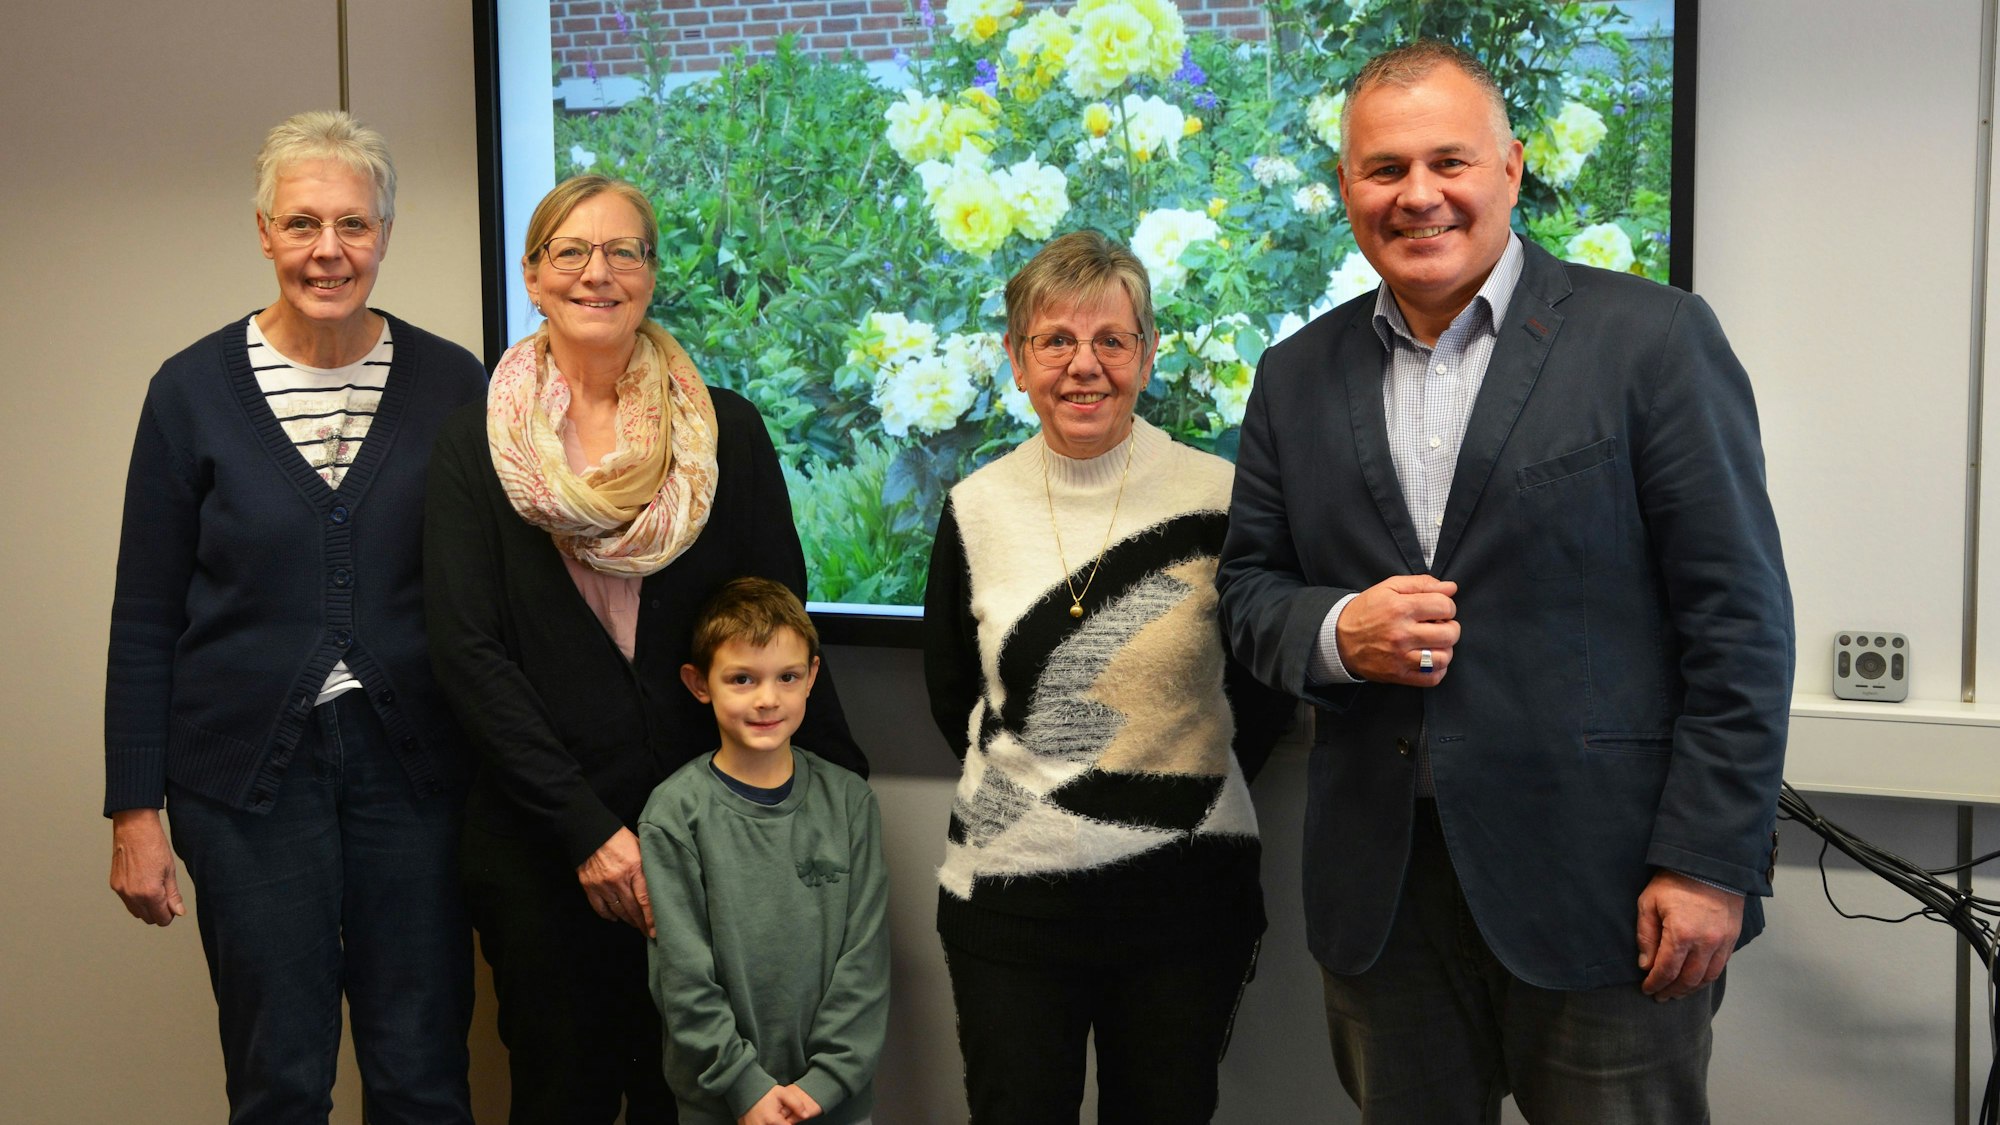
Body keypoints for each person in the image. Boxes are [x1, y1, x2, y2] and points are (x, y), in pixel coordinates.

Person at [1215, 40, 1794, 1124]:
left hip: (1612, 891)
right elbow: (1247, 588)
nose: (1417, 195)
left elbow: (1739, 624)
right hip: (1383, 899)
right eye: (1383, 169)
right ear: (1346, 186)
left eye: (1450, 161)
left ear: (1511, 168)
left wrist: (1709, 864)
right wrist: (1338, 630)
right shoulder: (1294, 375)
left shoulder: (1650, 341)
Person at [424, 174, 867, 1124]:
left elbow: (774, 620)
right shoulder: (474, 447)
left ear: (653, 276)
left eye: (624, 251)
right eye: (572, 252)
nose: (599, 272)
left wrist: (841, 797)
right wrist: (588, 830)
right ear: (535, 277)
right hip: (542, 846)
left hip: (715, 846)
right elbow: (469, 654)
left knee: (701, 1096)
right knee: (561, 1091)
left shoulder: (728, 433)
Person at [103, 110, 484, 1122]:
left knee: (421, 1072)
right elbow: (144, 614)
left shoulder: (455, 386)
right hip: (244, 787)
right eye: (303, 224)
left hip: (415, 776)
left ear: (386, 234)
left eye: (353, 225)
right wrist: (134, 812)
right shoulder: (187, 394)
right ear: (265, 232)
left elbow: (490, 592)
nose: (329, 250)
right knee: (278, 1080)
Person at [922, 229, 1291, 1124]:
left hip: (1185, 905)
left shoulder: (1221, 496)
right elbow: (951, 695)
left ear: (1148, 353)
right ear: (1018, 360)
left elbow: (1265, 696)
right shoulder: (974, 507)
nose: (1084, 366)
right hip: (1011, 900)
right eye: (1055, 340)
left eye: (1111, 341)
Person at [639, 577, 888, 1125]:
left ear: (812, 678)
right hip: (721, 1102)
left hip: (833, 1102)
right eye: (742, 679)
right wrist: (744, 1087)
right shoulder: (673, 815)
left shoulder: (850, 803)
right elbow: (682, 977)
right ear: (700, 683)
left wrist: (827, 1081)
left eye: (787, 677)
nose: (767, 698)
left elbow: (865, 960)